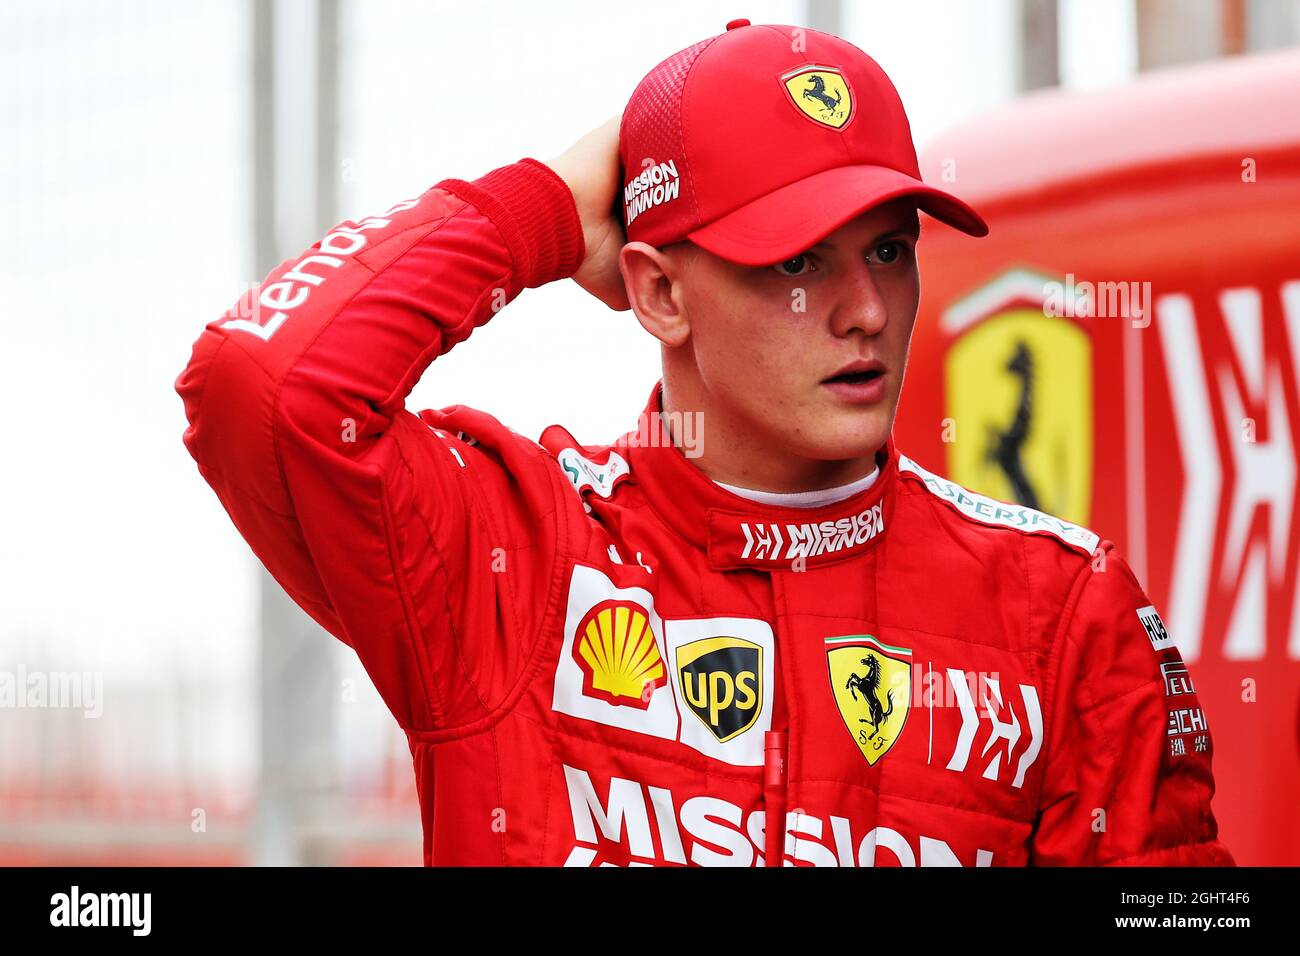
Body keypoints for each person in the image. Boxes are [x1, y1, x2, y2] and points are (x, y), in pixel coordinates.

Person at [176, 19, 1233, 866]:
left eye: (888, 248)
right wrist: (542, 209)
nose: (866, 308)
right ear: (660, 290)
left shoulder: (1062, 607)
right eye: (795, 263)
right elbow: (262, 383)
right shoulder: (517, 554)